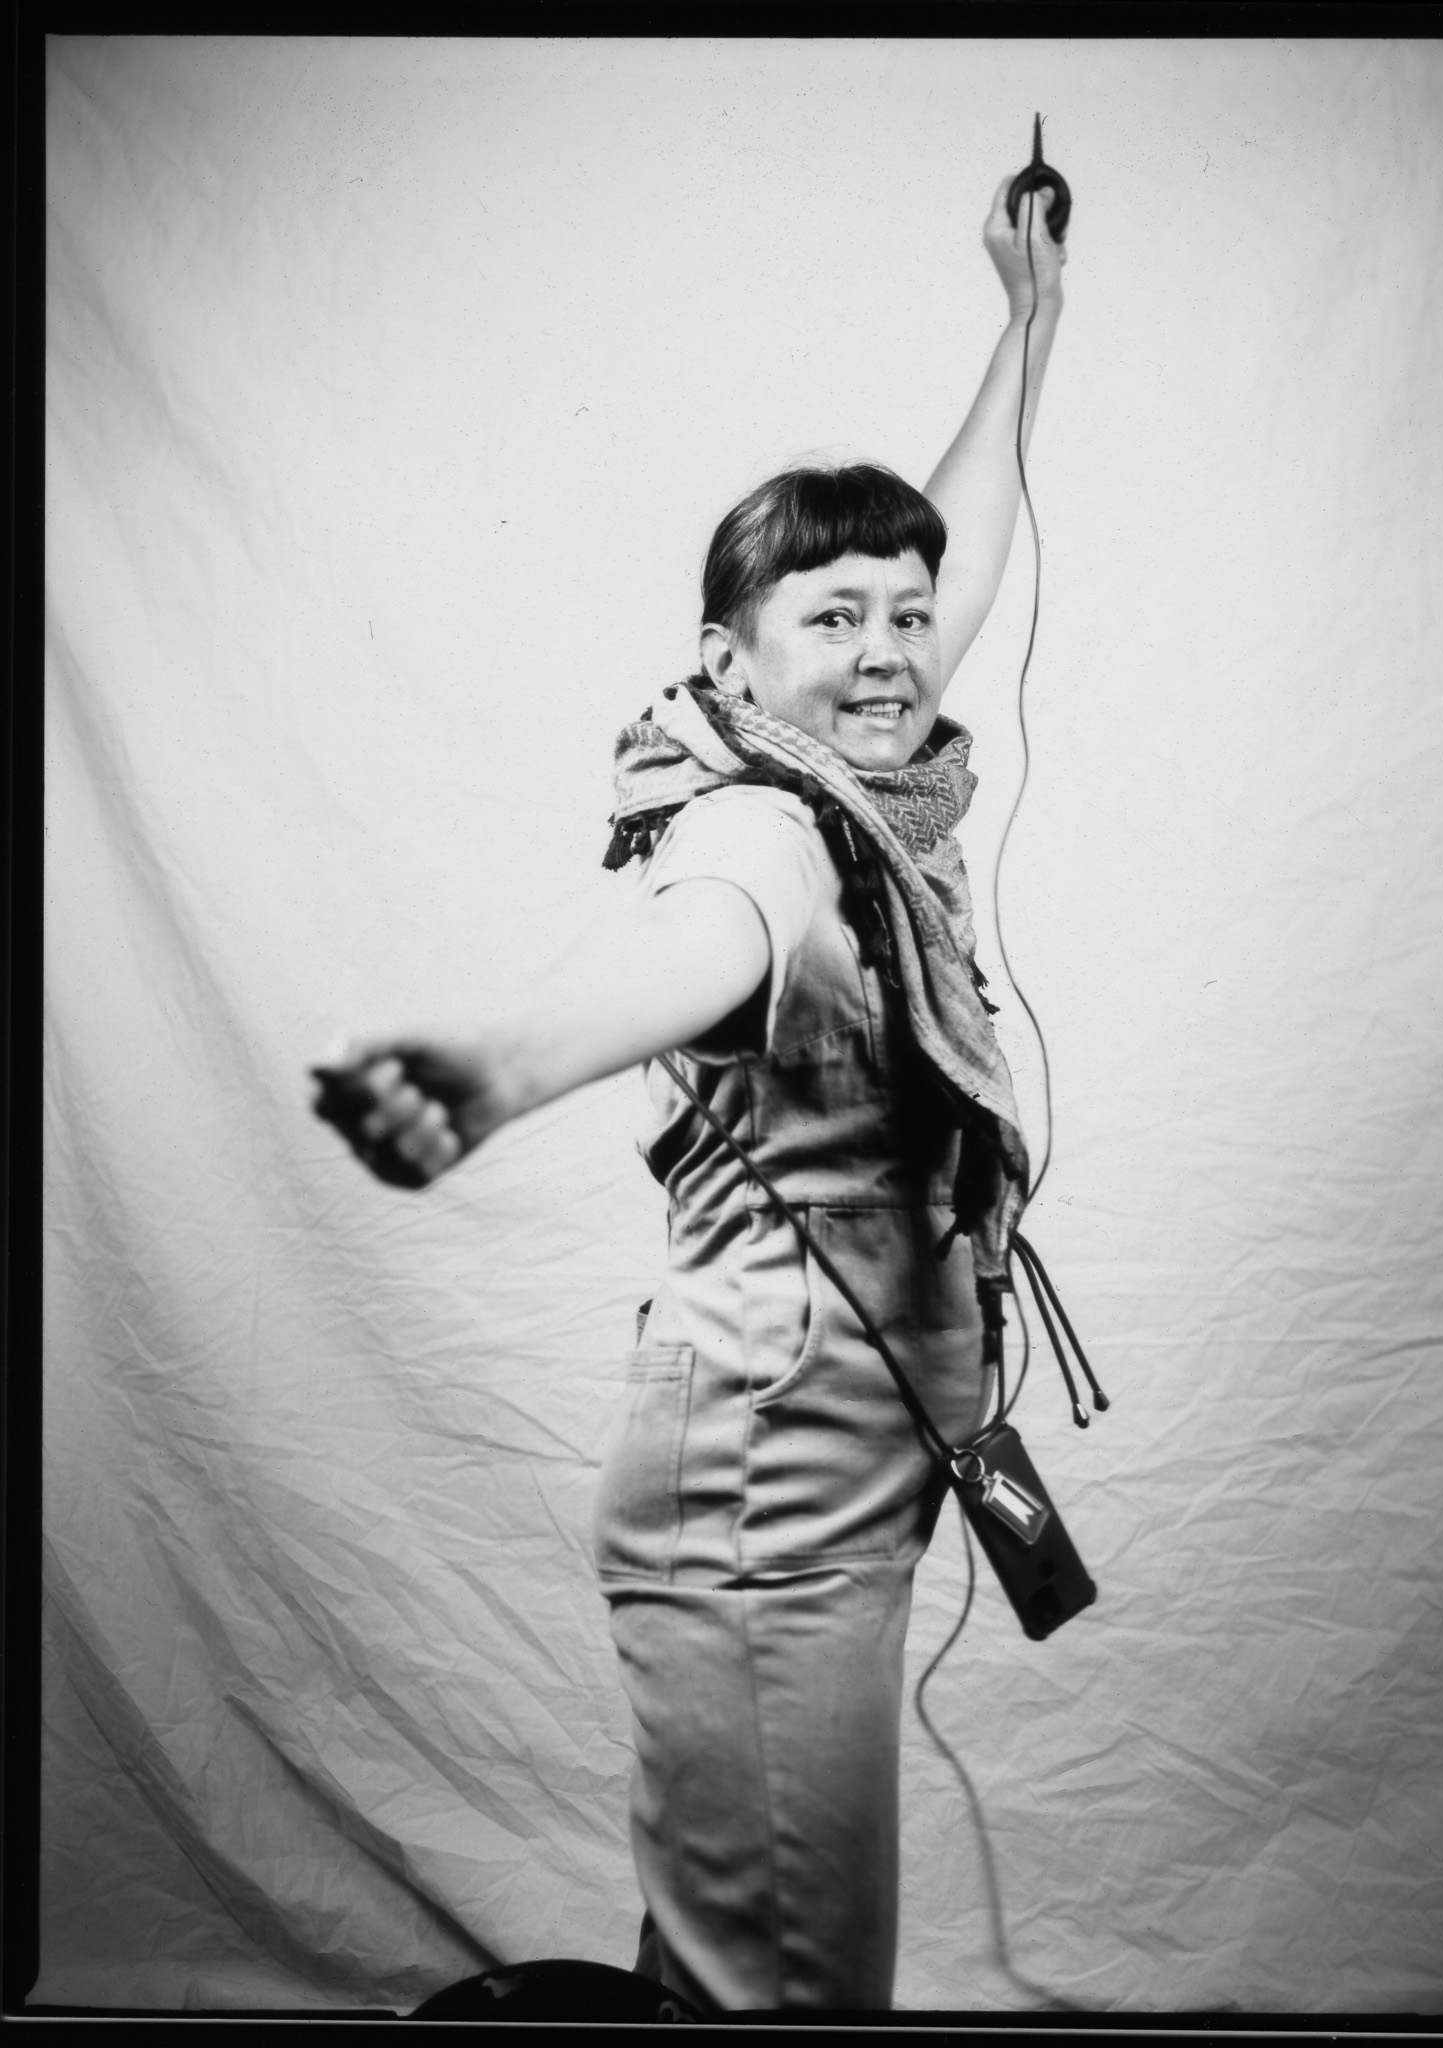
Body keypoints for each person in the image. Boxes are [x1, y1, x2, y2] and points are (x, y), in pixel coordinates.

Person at [312, 172, 1067, 2013]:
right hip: (765, 1470)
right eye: (839, 620)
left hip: (834, 1447)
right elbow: (707, 934)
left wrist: (1025, 328)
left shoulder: (851, 762)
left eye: (911, 617)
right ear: (738, 663)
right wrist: (496, 1068)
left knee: (742, 1956)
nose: (892, 651)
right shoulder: (760, 817)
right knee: (794, 1995)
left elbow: (946, 544)